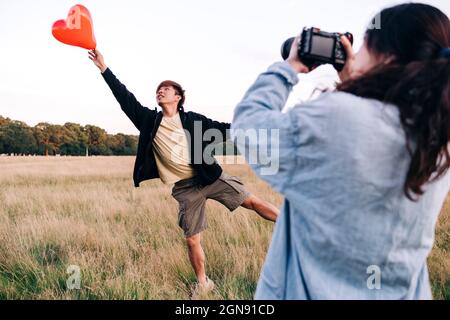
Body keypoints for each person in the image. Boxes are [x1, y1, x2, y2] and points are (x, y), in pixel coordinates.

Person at [232, 3, 450, 299]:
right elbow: (377, 123)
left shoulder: (336, 116)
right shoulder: (437, 136)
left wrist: (290, 67)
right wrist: (352, 77)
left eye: (362, 44)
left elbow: (249, 126)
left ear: (383, 54)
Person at [88, 50, 279, 297]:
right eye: (158, 89)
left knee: (252, 201)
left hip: (211, 178)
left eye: (166, 89)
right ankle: (203, 283)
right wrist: (104, 68)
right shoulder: (149, 120)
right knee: (192, 239)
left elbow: (224, 129)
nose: (160, 91)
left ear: (178, 97)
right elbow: (124, 98)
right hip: (185, 189)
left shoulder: (193, 120)